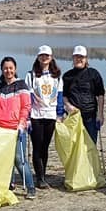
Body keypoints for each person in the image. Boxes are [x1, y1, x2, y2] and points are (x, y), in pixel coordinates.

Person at [0, 57, 36, 199]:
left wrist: (22, 124)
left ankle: (30, 187)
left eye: (10, 68)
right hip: (0, 128)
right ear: (1, 69)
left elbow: (26, 106)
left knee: (19, 159)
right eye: (5, 68)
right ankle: (9, 184)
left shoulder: (22, 85)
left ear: (15, 69)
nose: (8, 71)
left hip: (16, 128)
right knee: (5, 159)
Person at [24, 45, 64, 189]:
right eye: (42, 55)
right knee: (37, 146)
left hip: (50, 115)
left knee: (45, 147)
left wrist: (60, 114)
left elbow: (59, 95)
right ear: (38, 57)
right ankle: (39, 178)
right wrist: (27, 117)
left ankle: (43, 174)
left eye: (47, 55)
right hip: (36, 115)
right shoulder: (31, 75)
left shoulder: (57, 76)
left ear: (51, 57)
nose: (44, 58)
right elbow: (28, 96)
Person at [62, 45, 105, 143]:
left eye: (81, 57)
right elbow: (64, 95)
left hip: (90, 116)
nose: (79, 59)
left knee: (90, 145)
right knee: (74, 145)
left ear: (86, 59)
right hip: (73, 116)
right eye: (76, 57)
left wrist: (100, 114)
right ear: (73, 58)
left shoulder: (93, 73)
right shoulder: (67, 76)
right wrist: (68, 105)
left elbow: (100, 95)